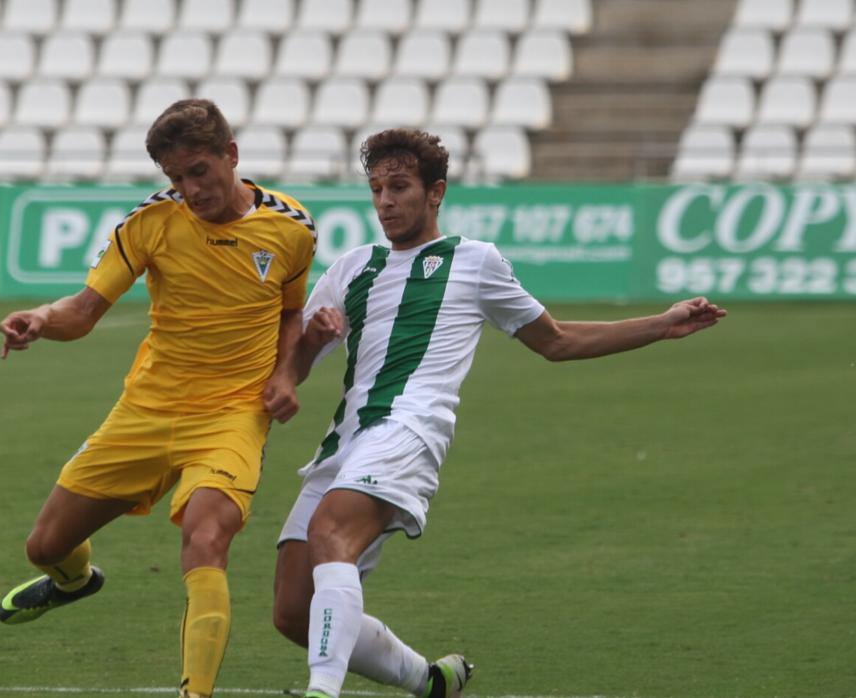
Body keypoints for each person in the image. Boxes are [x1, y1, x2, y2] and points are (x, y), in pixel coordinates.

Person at [271, 128, 726, 698]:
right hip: (346, 441)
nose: (385, 201)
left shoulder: (474, 262)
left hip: (410, 430)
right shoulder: (352, 268)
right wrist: (310, 342)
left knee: (332, 531)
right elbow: (291, 364)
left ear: (435, 193)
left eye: (400, 187)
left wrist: (662, 324)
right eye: (377, 188)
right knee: (294, 611)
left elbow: (556, 340)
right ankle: (430, 681)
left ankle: (322, 692)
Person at [0, 99, 317, 698]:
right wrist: (41, 318)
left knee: (205, 535)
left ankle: (195, 693)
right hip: (147, 410)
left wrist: (286, 375)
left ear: (232, 156)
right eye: (176, 179)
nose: (190, 190)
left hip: (231, 415)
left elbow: (291, 311)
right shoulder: (149, 223)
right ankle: (74, 581)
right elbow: (84, 312)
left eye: (200, 171)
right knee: (45, 546)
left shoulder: (291, 226)